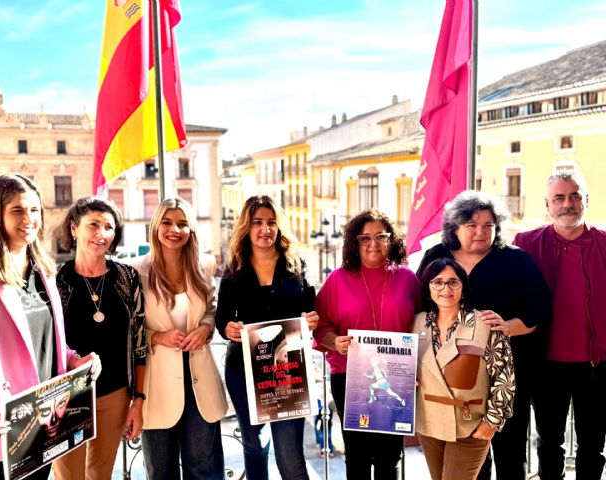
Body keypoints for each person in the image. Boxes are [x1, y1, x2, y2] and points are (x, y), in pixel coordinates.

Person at [0, 174, 98, 480]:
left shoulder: (43, 270)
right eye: (17, 211)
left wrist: (75, 360)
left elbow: (47, 341)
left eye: (35, 210)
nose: (29, 219)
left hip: (45, 423)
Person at [416, 190, 552, 480]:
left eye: (488, 225)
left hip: (505, 374)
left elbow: (539, 311)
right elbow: (418, 310)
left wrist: (505, 327)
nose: (481, 232)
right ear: (455, 228)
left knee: (510, 453)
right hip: (451, 384)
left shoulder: (516, 260)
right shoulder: (436, 256)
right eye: (472, 225)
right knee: (468, 461)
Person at [215, 195, 318, 480]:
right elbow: (222, 317)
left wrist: (311, 318)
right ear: (246, 228)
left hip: (288, 370)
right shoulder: (234, 268)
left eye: (271, 222)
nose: (265, 229)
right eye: (257, 222)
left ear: (279, 226)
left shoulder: (296, 263)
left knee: (290, 454)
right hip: (243, 370)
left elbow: (310, 307)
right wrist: (229, 329)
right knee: (254, 445)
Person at [314, 209, 421, 479]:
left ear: (391, 240)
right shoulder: (337, 280)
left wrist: (418, 367)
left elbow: (422, 326)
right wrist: (335, 342)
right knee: (358, 457)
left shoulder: (408, 279)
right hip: (349, 379)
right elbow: (321, 327)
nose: (373, 244)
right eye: (365, 238)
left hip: (397, 378)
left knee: (390, 457)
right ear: (355, 243)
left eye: (380, 236)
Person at [514, 170, 606, 480]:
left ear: (586, 201)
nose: (568, 204)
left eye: (575, 196)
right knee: (549, 443)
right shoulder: (526, 244)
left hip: (597, 363)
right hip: (546, 363)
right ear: (547, 205)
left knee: (594, 444)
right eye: (559, 198)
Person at [130, 197, 227, 480]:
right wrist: (157, 336)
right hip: (156, 384)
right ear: (156, 226)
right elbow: (129, 330)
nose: (175, 230)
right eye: (168, 222)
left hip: (200, 381)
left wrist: (206, 329)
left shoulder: (205, 265)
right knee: (161, 471)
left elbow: (211, 310)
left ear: (191, 229)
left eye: (182, 224)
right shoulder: (135, 271)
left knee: (206, 470)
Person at [54, 196, 146, 480]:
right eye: (93, 225)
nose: (102, 234)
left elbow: (140, 344)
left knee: (101, 474)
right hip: (66, 397)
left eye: (109, 227)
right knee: (69, 476)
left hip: (115, 395)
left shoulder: (127, 278)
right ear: (73, 229)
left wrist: (138, 401)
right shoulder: (56, 280)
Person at [414, 258, 515, 480]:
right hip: (429, 424)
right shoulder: (416, 323)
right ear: (428, 286)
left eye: (453, 282)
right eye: (437, 282)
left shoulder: (486, 322)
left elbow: (504, 377)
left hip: (471, 426)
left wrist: (492, 423)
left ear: (463, 286)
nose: (445, 289)